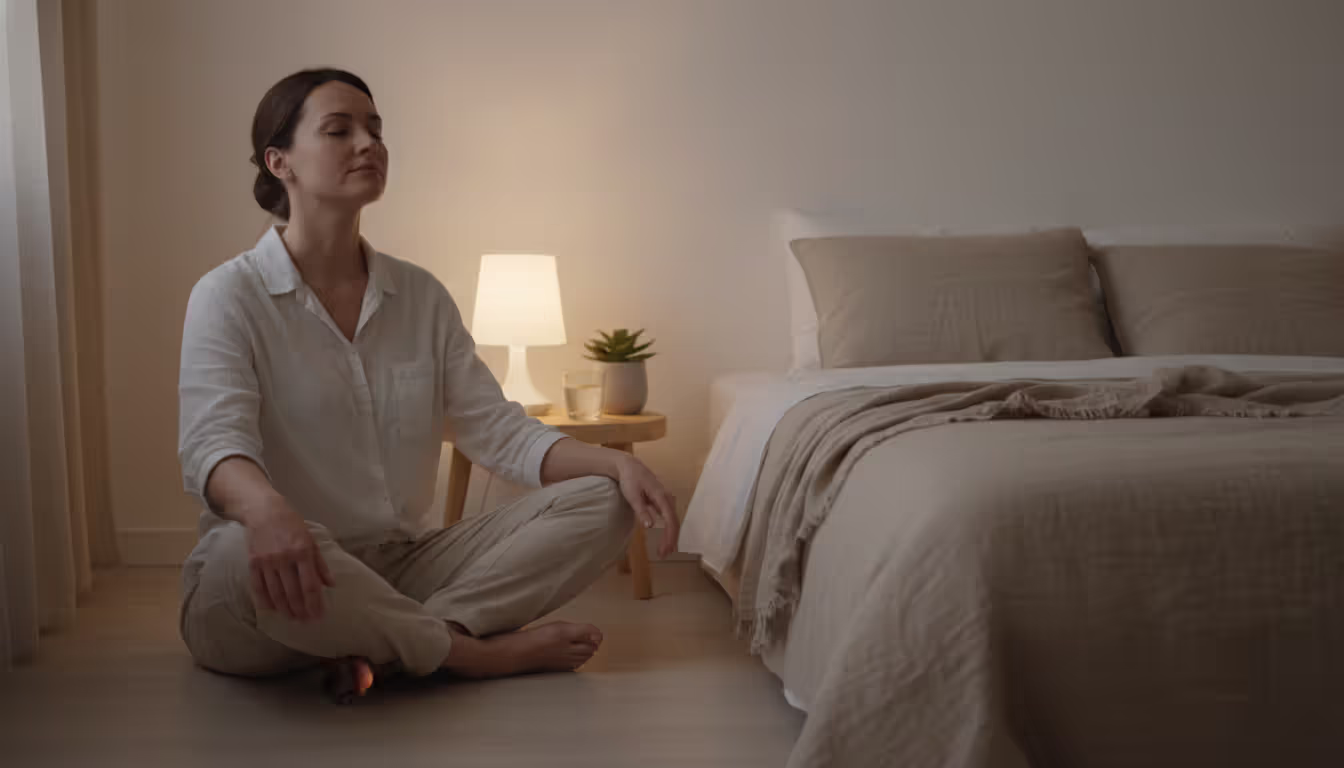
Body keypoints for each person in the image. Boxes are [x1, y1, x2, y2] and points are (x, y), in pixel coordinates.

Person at [176, 69, 678, 702]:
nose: (369, 144)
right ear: (281, 163)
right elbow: (212, 445)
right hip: (281, 574)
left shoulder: (420, 295)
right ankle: (469, 655)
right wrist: (269, 513)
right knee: (233, 553)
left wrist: (616, 464)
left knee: (606, 499)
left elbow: (498, 432)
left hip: (404, 568)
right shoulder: (228, 295)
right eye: (339, 130)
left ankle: (400, 646)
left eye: (375, 130)